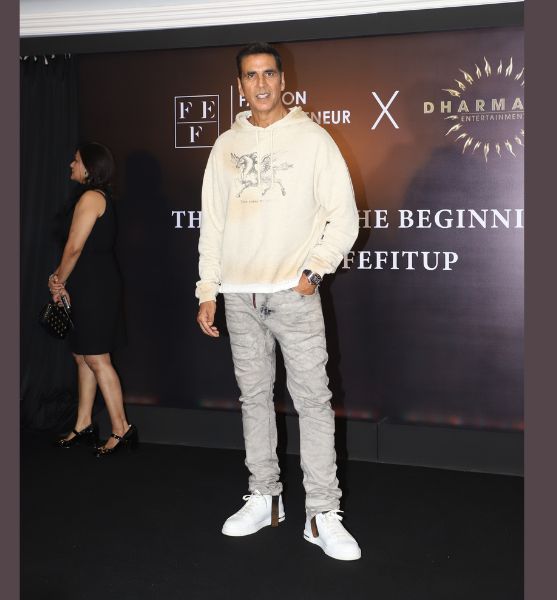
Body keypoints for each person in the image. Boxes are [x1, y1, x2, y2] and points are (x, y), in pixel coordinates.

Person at [196, 42, 361, 560]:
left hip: (293, 295)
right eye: (251, 75)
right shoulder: (225, 146)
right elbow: (212, 226)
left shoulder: (313, 139)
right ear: (240, 85)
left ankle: (321, 513)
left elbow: (345, 216)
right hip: (239, 296)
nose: (261, 83)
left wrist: (314, 271)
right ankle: (265, 499)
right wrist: (208, 289)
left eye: (269, 73)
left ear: (283, 80)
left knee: (313, 403)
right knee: (254, 400)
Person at [48, 142, 135, 457]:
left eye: (75, 161)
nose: (71, 165)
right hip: (85, 283)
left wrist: (58, 280)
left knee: (97, 358)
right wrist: (60, 279)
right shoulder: (90, 197)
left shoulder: (91, 198)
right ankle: (83, 423)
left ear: (88, 167)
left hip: (95, 286)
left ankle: (122, 429)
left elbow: (74, 247)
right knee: (82, 356)